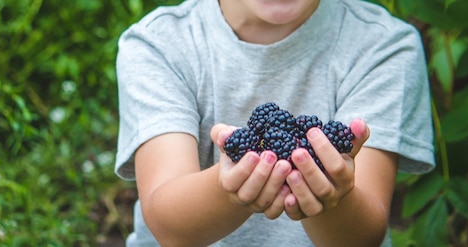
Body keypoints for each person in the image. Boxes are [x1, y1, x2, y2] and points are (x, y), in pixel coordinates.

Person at [114, 0, 436, 246]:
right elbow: (169, 226)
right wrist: (229, 190)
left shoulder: (385, 46)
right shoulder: (158, 45)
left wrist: (334, 199)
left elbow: (362, 237)